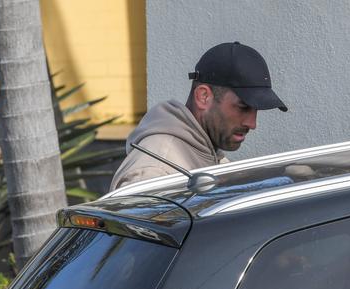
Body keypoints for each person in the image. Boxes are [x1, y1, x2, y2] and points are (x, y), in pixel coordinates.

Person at [110, 41, 287, 190]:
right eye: (243, 107)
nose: (252, 123)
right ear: (204, 97)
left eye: (255, 110)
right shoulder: (154, 173)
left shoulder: (210, 155)